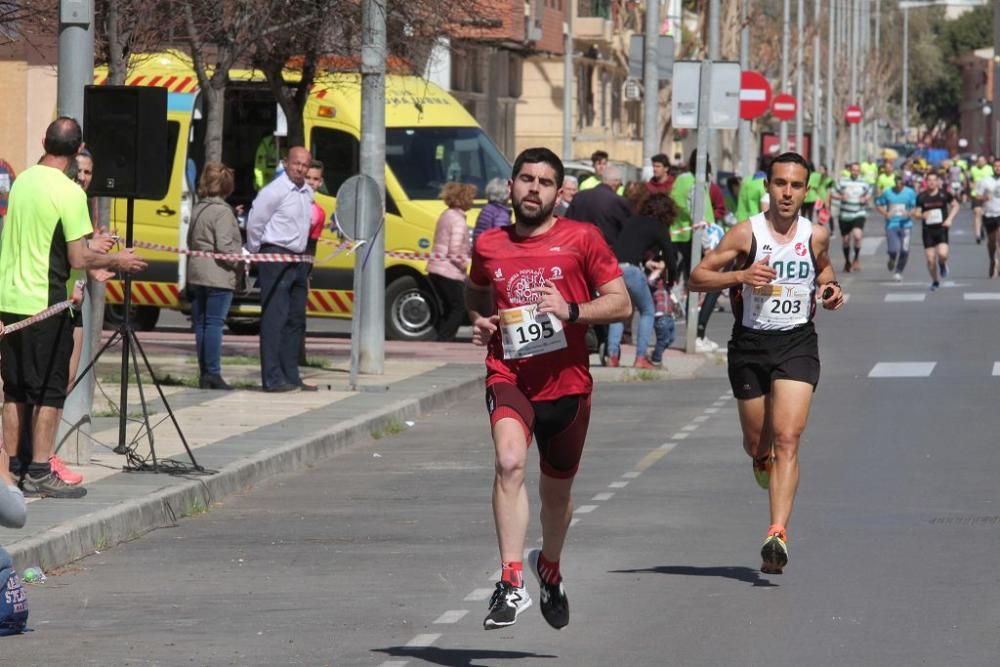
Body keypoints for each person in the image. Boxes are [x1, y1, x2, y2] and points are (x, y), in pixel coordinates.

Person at [466, 147, 630, 630]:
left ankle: (549, 567)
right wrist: (479, 319)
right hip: (510, 374)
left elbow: (621, 304)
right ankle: (512, 580)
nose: (533, 188)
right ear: (511, 186)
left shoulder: (582, 238)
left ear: (559, 194)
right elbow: (475, 289)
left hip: (568, 386)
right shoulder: (490, 244)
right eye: (525, 179)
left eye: (543, 182)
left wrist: (572, 310)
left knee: (556, 495)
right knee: (509, 461)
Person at [688, 152, 845, 575]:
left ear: (806, 191)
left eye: (796, 185)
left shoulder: (816, 235)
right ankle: (760, 460)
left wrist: (830, 291)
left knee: (788, 438)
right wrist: (740, 277)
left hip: (797, 342)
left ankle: (777, 533)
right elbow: (696, 278)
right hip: (750, 346)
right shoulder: (745, 235)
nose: (787, 192)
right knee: (759, 444)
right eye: (780, 184)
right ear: (768, 188)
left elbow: (825, 272)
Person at [0, 117, 146, 498]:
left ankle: (12, 468)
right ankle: (39, 469)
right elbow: (79, 257)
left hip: (10, 299)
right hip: (46, 301)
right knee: (50, 390)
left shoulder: (24, 181)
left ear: (43, 141)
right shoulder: (70, 193)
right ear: (78, 149)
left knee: (14, 390)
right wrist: (118, 262)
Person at [246, 145, 314, 392]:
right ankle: (273, 378)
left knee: (296, 318)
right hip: (275, 254)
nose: (300, 168)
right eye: (297, 163)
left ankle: (290, 374)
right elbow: (255, 221)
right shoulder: (275, 190)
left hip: (298, 258)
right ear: (286, 163)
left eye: (305, 164)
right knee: (275, 317)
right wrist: (255, 251)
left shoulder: (306, 192)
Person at [606, 193, 678, 368]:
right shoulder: (659, 227)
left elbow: (629, 246)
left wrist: (646, 262)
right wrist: (670, 280)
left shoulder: (632, 220)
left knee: (620, 311)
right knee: (647, 311)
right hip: (631, 270)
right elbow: (670, 258)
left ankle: (612, 356)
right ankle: (640, 358)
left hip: (613, 268)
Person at [188, 162, 244, 390]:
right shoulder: (222, 212)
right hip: (218, 275)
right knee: (214, 324)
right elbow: (224, 246)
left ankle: (204, 373)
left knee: (201, 324)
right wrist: (239, 262)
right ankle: (213, 372)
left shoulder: (198, 207)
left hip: (197, 272)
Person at [428, 182, 475, 341]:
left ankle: (442, 338)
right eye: (471, 198)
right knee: (459, 308)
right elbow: (454, 250)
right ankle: (444, 339)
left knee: (448, 308)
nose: (473, 201)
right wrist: (464, 265)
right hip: (449, 271)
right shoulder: (459, 221)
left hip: (436, 268)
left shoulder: (446, 215)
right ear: (464, 199)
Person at [914, 171, 960, 291]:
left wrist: (949, 219)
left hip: (941, 229)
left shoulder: (944, 194)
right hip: (927, 231)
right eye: (929, 180)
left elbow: (956, 206)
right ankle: (935, 280)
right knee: (930, 259)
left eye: (934, 180)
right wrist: (922, 215)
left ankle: (942, 264)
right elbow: (917, 213)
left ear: (938, 181)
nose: (932, 182)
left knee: (943, 254)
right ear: (926, 182)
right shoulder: (921, 196)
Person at [564, 164, 631, 245]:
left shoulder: (579, 196)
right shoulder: (618, 201)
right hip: (605, 251)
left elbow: (566, 223)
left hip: (579, 248)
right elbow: (627, 232)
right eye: (620, 184)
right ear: (616, 183)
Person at [874, 173, 918, 282]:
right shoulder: (888, 192)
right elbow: (878, 203)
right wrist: (885, 213)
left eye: (901, 182)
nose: (898, 184)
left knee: (904, 250)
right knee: (893, 250)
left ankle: (898, 271)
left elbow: (915, 206)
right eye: (897, 182)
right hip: (891, 225)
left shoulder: (910, 192)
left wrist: (909, 213)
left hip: (906, 225)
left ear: (904, 182)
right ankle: (892, 258)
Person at [831, 162, 872, 272]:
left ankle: (856, 258)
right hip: (844, 214)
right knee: (845, 240)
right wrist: (840, 196)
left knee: (857, 236)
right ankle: (847, 261)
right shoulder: (842, 181)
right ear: (850, 170)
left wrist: (866, 198)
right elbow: (833, 192)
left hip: (859, 213)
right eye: (853, 170)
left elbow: (869, 192)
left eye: (857, 170)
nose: (855, 172)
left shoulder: (864, 182)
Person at [473, 177, 512, 244]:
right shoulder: (500, 212)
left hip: (480, 246)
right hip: (492, 249)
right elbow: (501, 237)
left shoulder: (486, 209)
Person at [980, 158, 1000, 277]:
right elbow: (977, 196)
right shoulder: (985, 181)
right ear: (992, 167)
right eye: (996, 166)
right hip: (989, 213)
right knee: (991, 242)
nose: (998, 168)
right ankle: (992, 260)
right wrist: (984, 198)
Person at [304, 160, 327, 257]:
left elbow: (311, 247)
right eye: (307, 177)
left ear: (320, 182)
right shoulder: (288, 201)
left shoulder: (320, 213)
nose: (311, 182)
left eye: (315, 179)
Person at [970, 155, 994, 244]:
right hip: (976, 194)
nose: (980, 162)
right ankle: (978, 235)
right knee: (977, 212)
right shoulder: (973, 169)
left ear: (985, 161)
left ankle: (982, 227)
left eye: (982, 160)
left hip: (988, 195)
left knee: (985, 214)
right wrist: (971, 185)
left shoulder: (990, 169)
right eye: (979, 160)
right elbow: (971, 179)